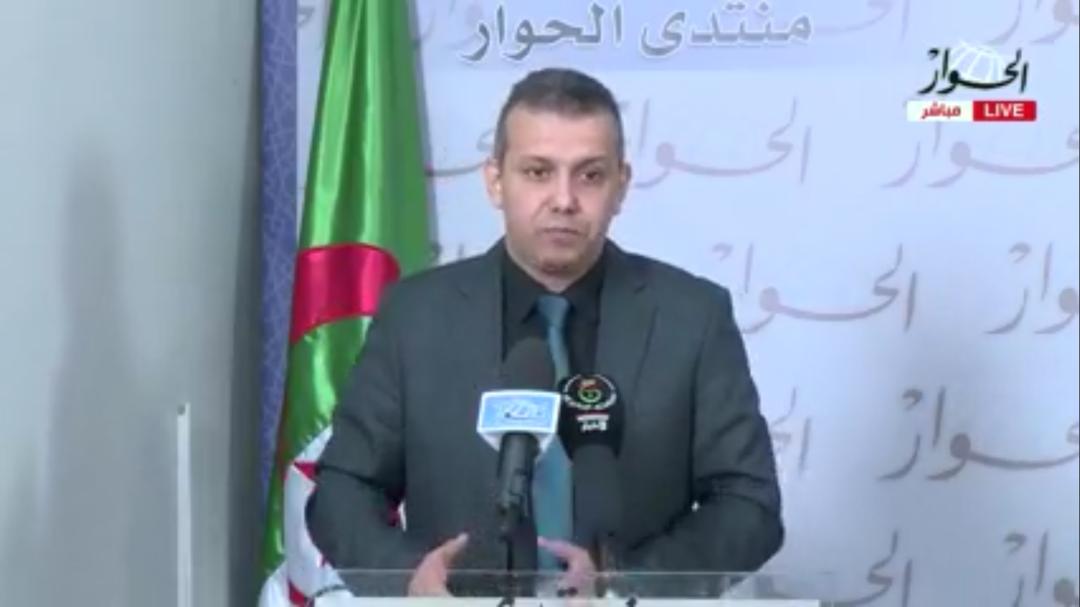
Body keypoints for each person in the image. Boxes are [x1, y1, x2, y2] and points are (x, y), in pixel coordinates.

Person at [306, 67, 783, 597]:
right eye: (537, 172)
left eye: (590, 175)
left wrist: (627, 587)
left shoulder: (692, 318)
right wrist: (407, 577)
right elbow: (343, 489)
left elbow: (749, 504)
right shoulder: (415, 316)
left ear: (621, 186)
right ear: (495, 181)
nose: (563, 199)